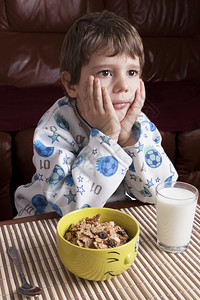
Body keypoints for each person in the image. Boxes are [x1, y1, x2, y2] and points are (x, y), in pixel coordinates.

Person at [14, 10, 178, 218]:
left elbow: (160, 193)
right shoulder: (54, 127)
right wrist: (107, 136)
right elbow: (71, 207)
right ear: (71, 84)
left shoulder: (137, 124)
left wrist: (127, 137)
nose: (123, 86)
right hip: (46, 219)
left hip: (110, 220)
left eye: (132, 72)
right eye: (106, 72)